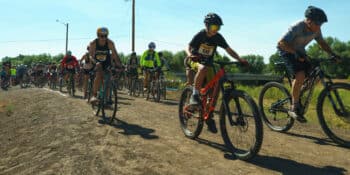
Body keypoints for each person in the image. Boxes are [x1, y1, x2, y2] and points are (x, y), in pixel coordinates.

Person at [186, 13, 248, 133]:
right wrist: (190, 55)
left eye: (218, 28)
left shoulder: (218, 37)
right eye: (214, 27)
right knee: (203, 69)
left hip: (208, 64)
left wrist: (240, 59)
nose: (216, 30)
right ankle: (194, 95)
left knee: (214, 91)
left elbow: (229, 50)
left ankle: (209, 116)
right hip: (195, 61)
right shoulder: (200, 35)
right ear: (207, 25)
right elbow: (188, 46)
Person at [277, 6, 340, 123]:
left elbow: (322, 42)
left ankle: (297, 92)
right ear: (309, 20)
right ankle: (294, 107)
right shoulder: (297, 27)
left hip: (300, 51)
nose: (319, 27)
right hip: (286, 50)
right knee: (300, 75)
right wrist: (295, 53)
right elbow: (281, 43)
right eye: (317, 23)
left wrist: (333, 54)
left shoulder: (316, 29)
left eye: (321, 24)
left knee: (315, 76)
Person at [89, 27, 122, 103]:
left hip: (106, 61)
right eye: (101, 36)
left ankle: (107, 98)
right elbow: (90, 56)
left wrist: (119, 65)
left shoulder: (110, 43)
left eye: (105, 36)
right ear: (98, 35)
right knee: (98, 75)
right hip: (96, 61)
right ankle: (94, 95)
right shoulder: (93, 43)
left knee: (109, 78)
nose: (103, 38)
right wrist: (95, 62)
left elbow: (115, 54)